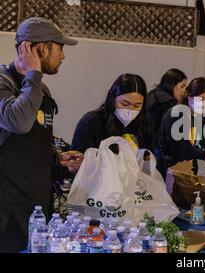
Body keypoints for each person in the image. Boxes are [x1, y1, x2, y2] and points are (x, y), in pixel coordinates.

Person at [0, 17, 83, 252]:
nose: (63, 56)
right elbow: (19, 123)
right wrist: (33, 74)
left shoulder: (39, 89)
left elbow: (35, 138)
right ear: (41, 49)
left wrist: (57, 156)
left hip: (36, 208)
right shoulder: (4, 83)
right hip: (7, 213)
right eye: (60, 48)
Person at [71, 73, 151, 153]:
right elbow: (77, 159)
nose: (130, 110)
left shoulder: (144, 124)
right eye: (124, 104)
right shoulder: (91, 121)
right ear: (113, 99)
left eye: (137, 106)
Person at [158, 77, 205, 177]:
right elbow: (181, 147)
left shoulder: (203, 119)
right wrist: (204, 155)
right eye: (201, 99)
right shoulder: (176, 115)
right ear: (190, 96)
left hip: (190, 171)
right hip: (170, 169)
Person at [146, 68, 187, 149]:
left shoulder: (153, 93)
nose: (184, 91)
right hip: (155, 147)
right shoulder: (169, 101)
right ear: (172, 84)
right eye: (182, 86)